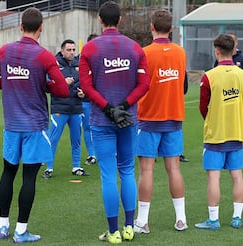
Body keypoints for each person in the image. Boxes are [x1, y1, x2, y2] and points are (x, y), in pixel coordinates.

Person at [0, 7, 70, 243]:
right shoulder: (44, 56)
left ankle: (3, 227)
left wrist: (15, 84)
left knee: (8, 172)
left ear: (20, 26)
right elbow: (62, 89)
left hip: (12, 124)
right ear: (41, 28)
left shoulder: (5, 51)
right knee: (29, 178)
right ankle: (20, 231)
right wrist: (39, 84)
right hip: (35, 125)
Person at [79, 1, 150, 243]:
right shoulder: (135, 48)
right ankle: (129, 227)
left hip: (101, 119)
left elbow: (86, 87)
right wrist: (123, 106)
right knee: (127, 170)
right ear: (120, 20)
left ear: (100, 20)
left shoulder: (89, 49)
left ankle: (114, 232)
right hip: (128, 119)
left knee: (109, 175)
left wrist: (109, 108)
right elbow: (144, 85)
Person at [134, 9, 189, 234]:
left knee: (146, 170)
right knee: (173, 168)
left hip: (148, 118)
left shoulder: (144, 53)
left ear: (151, 27)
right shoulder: (180, 53)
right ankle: (181, 219)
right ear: (171, 28)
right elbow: (183, 85)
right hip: (173, 117)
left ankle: (143, 221)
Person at [195, 34, 243, 230]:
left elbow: (203, 107)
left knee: (214, 177)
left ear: (217, 50)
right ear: (233, 49)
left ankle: (213, 220)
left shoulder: (209, 76)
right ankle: (237, 218)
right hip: (236, 132)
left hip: (215, 135)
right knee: (237, 176)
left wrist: (215, 120)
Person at [42, 39, 89, 179]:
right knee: (53, 139)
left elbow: (84, 83)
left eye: (73, 50)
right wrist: (63, 83)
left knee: (76, 139)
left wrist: (83, 93)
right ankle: (49, 169)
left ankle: (76, 167)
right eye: (69, 50)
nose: (72, 52)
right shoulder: (54, 65)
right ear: (62, 51)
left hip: (76, 107)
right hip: (59, 108)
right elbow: (47, 84)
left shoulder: (79, 65)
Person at [81, 33, 98, 166]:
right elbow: (76, 78)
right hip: (86, 100)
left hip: (101, 101)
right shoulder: (81, 60)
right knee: (87, 127)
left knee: (104, 127)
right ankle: (92, 154)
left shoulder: (102, 59)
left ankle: (112, 153)